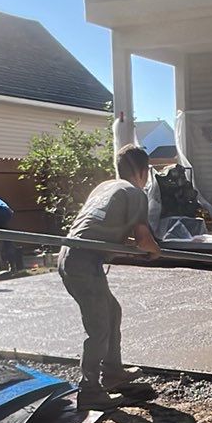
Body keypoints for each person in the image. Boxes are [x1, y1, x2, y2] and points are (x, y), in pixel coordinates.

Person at [60, 144, 161, 409]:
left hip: (72, 256)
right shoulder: (136, 194)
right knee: (99, 326)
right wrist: (155, 251)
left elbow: (100, 227)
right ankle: (90, 389)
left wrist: (126, 241)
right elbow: (145, 240)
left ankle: (113, 373)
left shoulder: (105, 187)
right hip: (84, 262)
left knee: (111, 311)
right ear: (143, 171)